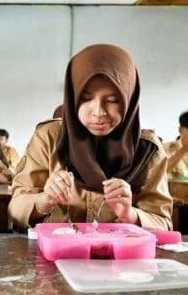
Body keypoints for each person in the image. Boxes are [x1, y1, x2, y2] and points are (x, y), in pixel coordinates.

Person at [9, 44, 172, 230]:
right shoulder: (49, 138)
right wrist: (44, 200)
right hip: (56, 254)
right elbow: (15, 210)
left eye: (112, 100)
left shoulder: (148, 150)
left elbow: (164, 223)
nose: (99, 112)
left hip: (119, 257)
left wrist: (130, 214)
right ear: (72, 97)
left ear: (130, 100)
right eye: (85, 99)